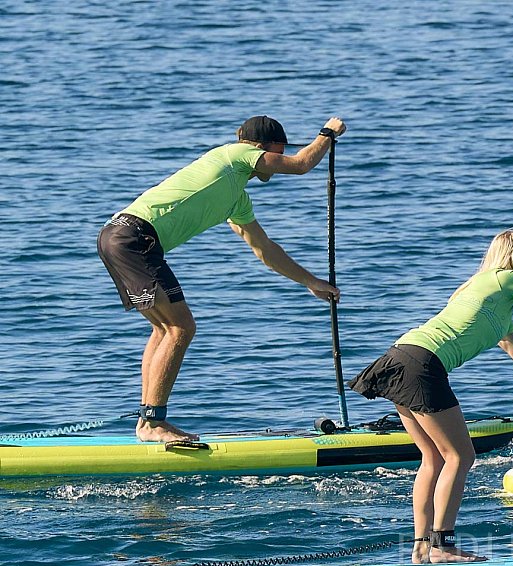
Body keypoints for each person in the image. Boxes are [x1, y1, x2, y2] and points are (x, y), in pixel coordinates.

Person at [349, 230, 513, 563]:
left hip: (401, 357)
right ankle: (442, 546)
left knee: (434, 458)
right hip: (423, 364)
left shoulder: (493, 306)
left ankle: (422, 546)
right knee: (460, 456)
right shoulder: (502, 278)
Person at [98, 115, 347, 443]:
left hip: (117, 237)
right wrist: (327, 134)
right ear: (263, 148)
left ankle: (147, 421)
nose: (280, 157)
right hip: (136, 238)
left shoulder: (237, 198)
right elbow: (301, 164)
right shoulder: (236, 154)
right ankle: (153, 423)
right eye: (279, 149)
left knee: (163, 328)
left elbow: (266, 250)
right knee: (181, 328)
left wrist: (311, 282)